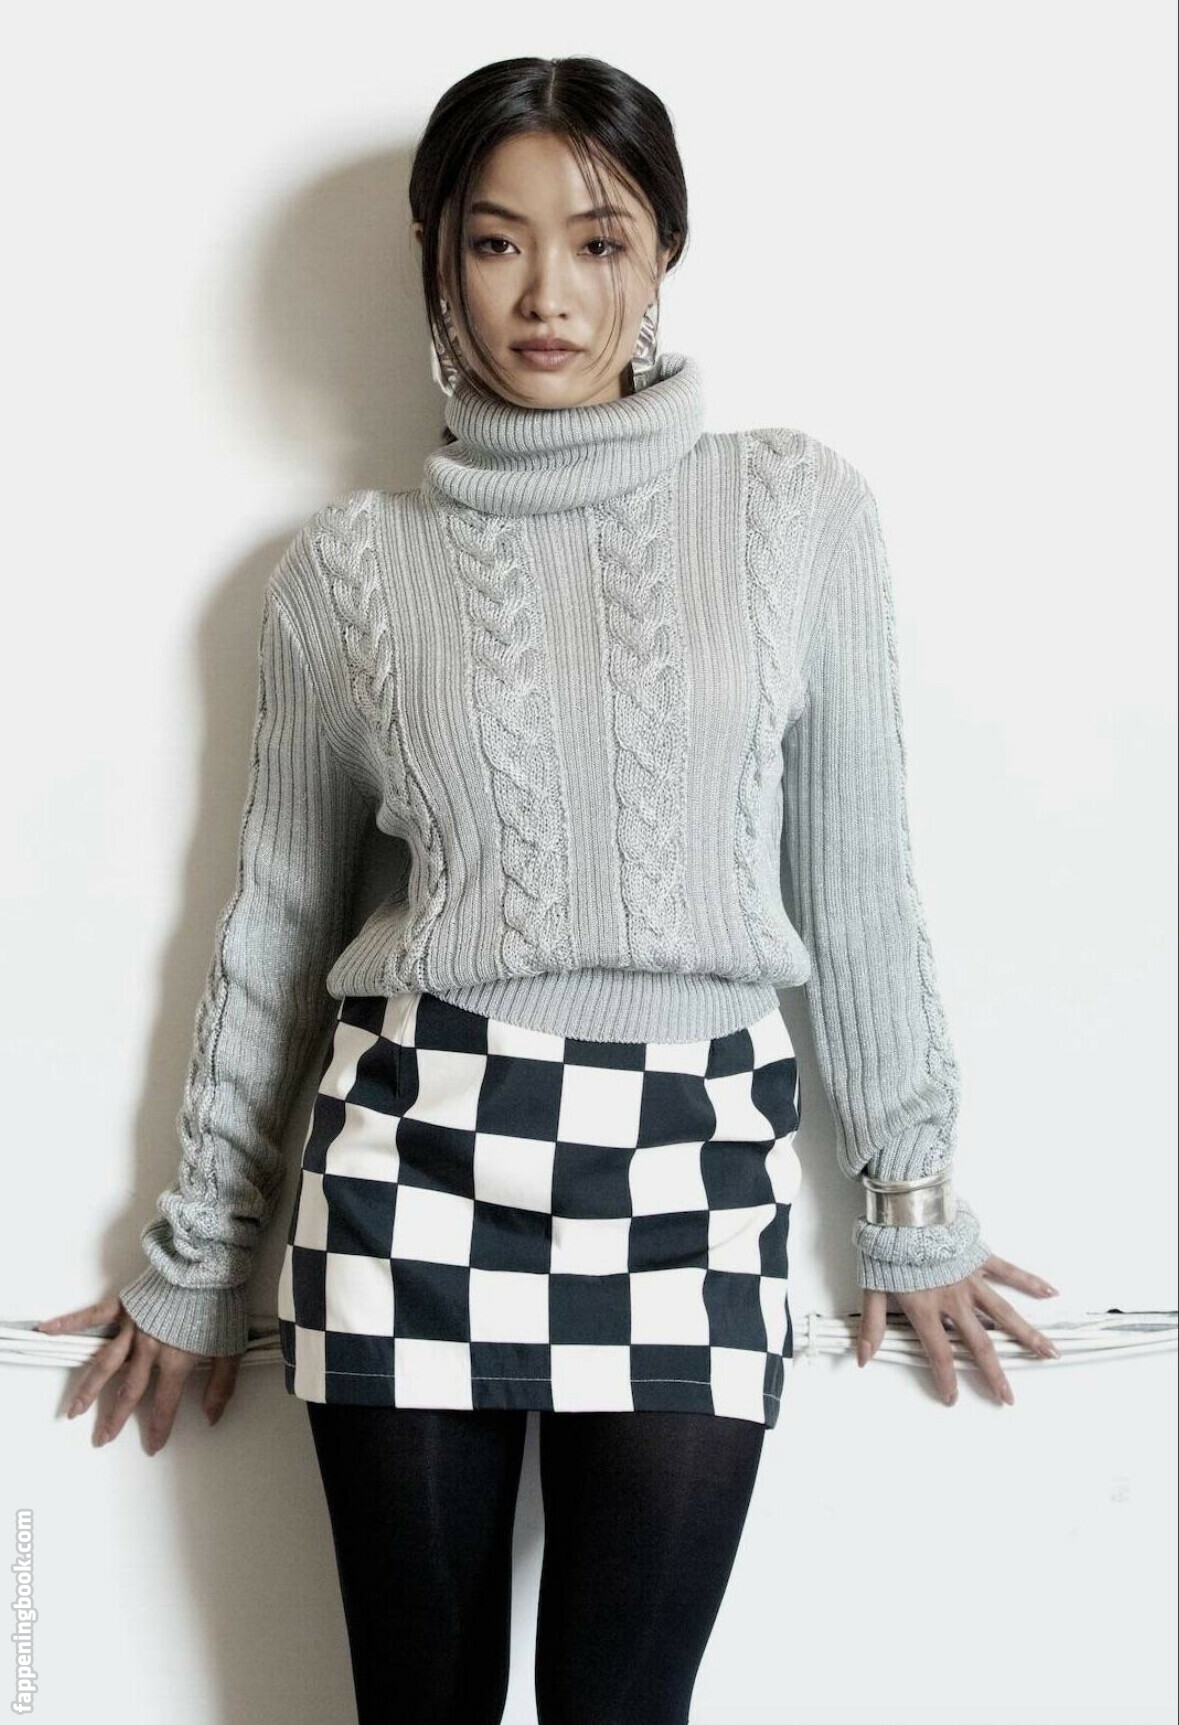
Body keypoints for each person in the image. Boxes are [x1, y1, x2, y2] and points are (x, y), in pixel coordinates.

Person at [39, 55, 1059, 1725]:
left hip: (691, 1165)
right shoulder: (348, 569)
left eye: (598, 241)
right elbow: (276, 923)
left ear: (664, 257)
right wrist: (204, 1245)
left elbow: (859, 874)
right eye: (496, 241)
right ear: (437, 259)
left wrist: (913, 1193)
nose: (546, 296)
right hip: (409, 1168)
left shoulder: (794, 509)